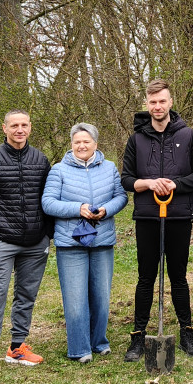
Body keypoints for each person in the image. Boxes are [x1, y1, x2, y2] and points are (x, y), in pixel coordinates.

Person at [121, 79, 193, 361]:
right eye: (152, 102)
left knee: (178, 277)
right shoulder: (136, 140)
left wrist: (173, 184)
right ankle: (137, 337)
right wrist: (148, 183)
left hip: (179, 214)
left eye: (162, 101)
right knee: (146, 277)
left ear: (170, 102)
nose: (157, 106)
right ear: (147, 105)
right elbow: (126, 179)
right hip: (147, 215)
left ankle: (187, 333)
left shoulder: (189, 136)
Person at [0, 110, 52, 381]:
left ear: (30, 127)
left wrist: (47, 234)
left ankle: (17, 347)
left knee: (26, 295)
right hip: (1, 242)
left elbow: (49, 198)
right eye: (14, 125)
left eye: (24, 125)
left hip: (35, 243)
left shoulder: (41, 160)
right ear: (4, 128)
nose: (19, 129)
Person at [42, 123, 128, 363]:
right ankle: (80, 349)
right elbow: (48, 203)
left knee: (101, 297)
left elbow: (121, 197)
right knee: (75, 299)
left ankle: (99, 342)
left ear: (95, 145)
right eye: (77, 142)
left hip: (102, 240)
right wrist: (77, 209)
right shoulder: (58, 170)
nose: (81, 145)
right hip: (71, 244)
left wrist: (106, 209)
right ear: (71, 145)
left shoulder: (109, 168)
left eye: (86, 141)